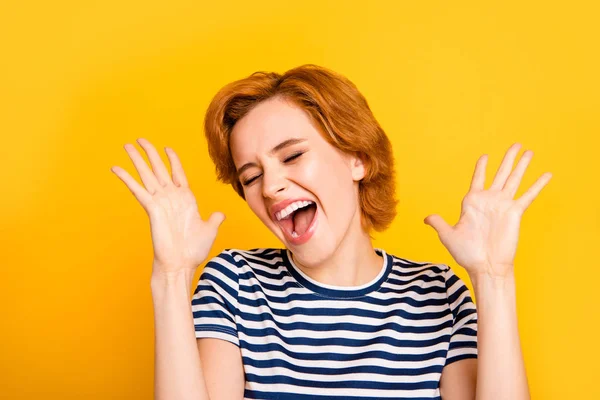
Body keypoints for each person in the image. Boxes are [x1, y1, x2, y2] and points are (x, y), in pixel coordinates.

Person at [111, 64, 552, 400]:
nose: (270, 186)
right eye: (250, 176)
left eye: (293, 155)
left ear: (356, 157)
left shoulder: (438, 294)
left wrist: (493, 280)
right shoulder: (234, 285)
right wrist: (170, 277)